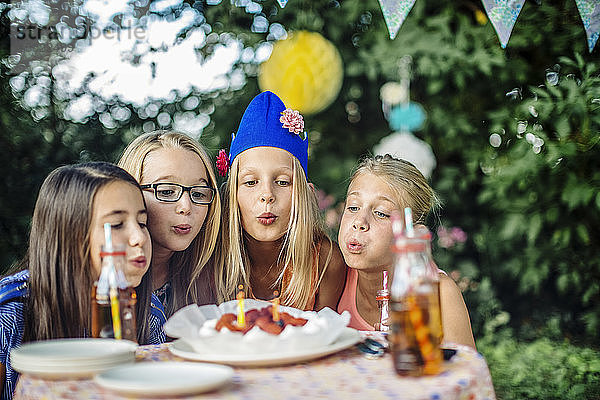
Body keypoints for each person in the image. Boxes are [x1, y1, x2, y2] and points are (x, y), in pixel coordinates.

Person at [0, 162, 165, 400]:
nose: (139, 237)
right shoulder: (10, 312)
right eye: (116, 224)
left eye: (142, 223)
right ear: (69, 234)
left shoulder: (150, 310)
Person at [215, 91, 346, 310]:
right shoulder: (214, 260)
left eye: (283, 182)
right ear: (232, 194)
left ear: (305, 195)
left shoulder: (326, 262)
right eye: (250, 182)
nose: (267, 195)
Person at [337, 155, 476, 348]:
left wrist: (421, 346)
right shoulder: (335, 274)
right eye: (353, 207)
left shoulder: (440, 294)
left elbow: (466, 373)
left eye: (381, 213)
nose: (359, 222)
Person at [118, 131, 221, 318]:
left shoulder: (210, 279)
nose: (186, 207)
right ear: (130, 193)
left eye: (198, 194)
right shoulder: (103, 282)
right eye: (166, 191)